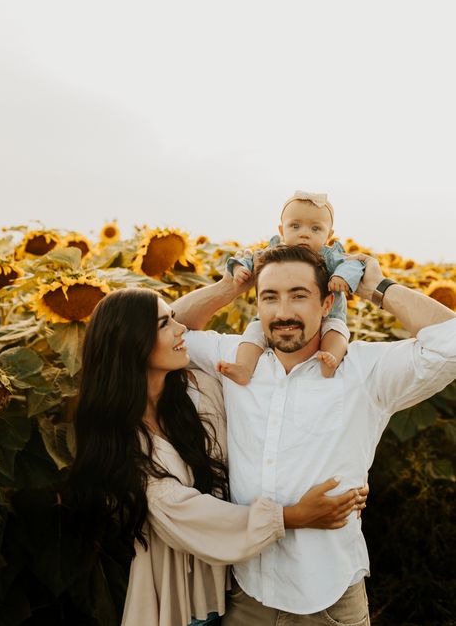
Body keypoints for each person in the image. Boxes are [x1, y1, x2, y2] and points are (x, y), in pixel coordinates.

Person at [172, 244, 456, 625]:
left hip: (327, 599)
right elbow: (161, 328)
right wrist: (229, 286)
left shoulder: (364, 370)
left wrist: (375, 286)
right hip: (246, 594)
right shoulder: (235, 359)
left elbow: (450, 346)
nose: (283, 312)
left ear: (327, 304)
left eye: (299, 296)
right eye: (269, 297)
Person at [68, 287, 367, 626]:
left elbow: (273, 423)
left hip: (237, 586)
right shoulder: (121, 439)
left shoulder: (197, 389)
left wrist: (235, 282)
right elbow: (186, 512)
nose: (182, 330)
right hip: (181, 603)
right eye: (165, 323)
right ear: (130, 342)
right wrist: (294, 516)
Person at [223, 190, 364, 384]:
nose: (304, 234)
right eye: (295, 226)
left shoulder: (331, 256)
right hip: (271, 318)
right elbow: (247, 259)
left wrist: (342, 276)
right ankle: (244, 367)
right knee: (253, 332)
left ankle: (330, 360)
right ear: (282, 231)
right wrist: (239, 269)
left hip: (330, 313)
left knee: (336, 331)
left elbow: (354, 264)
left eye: (315, 229)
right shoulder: (274, 253)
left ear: (329, 235)